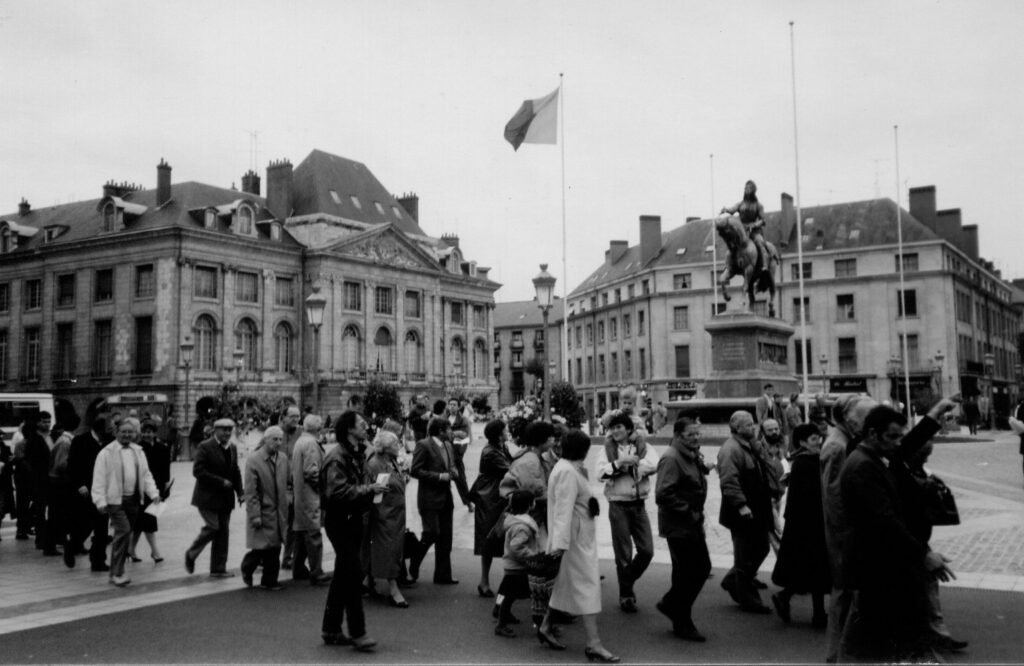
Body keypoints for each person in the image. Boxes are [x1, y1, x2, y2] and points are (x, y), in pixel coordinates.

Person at [840, 404, 957, 662]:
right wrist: (923, 555)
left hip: (880, 564)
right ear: (873, 434)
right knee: (881, 641)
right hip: (876, 566)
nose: (898, 442)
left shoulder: (875, 456)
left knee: (872, 640)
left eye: (899, 436)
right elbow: (885, 521)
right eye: (892, 436)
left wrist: (933, 415)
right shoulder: (863, 466)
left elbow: (907, 444)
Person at [538, 430, 619, 663]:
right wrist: (560, 546)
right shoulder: (567, 471)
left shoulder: (569, 468)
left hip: (575, 539)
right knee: (588, 587)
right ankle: (594, 643)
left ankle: (546, 626)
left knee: (564, 585)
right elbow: (562, 512)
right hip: (574, 542)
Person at [320, 411, 386, 651]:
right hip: (340, 520)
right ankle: (358, 632)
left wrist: (372, 487)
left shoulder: (356, 453)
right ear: (349, 429)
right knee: (351, 574)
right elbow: (337, 492)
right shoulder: (337, 457)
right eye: (361, 423)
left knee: (343, 573)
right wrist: (369, 489)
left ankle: (331, 628)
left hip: (352, 518)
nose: (365, 426)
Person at [819, 394, 876, 663]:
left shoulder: (845, 440)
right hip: (843, 533)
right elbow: (834, 497)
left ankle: (842, 651)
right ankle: (835, 653)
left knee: (847, 592)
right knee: (843, 592)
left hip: (847, 531)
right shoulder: (836, 446)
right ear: (848, 418)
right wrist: (846, 536)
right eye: (864, 419)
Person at [654, 417, 711, 641]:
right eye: (690, 435)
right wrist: (688, 510)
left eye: (697, 433)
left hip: (690, 523)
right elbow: (663, 494)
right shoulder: (671, 458)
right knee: (697, 569)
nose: (696, 438)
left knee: (686, 572)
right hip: (679, 524)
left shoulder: (690, 454)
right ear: (678, 436)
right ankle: (676, 610)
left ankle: (679, 616)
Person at [596, 412, 658, 613]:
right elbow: (600, 473)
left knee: (647, 550)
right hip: (618, 505)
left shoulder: (643, 446)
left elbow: (654, 464)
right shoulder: (607, 450)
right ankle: (626, 596)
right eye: (612, 428)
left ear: (629, 429)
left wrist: (634, 464)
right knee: (623, 553)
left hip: (639, 504)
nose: (615, 431)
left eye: (619, 427)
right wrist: (620, 463)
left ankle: (627, 579)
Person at [771, 423, 830, 627]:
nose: (818, 442)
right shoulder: (805, 463)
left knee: (807, 568)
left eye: (818, 438)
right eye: (813, 439)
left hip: (807, 522)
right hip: (808, 523)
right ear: (803, 442)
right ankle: (817, 614)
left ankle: (787, 598)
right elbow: (809, 496)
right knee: (815, 567)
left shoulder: (806, 461)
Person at [91, 418, 161, 587]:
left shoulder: (138, 451)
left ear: (135, 434)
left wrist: (153, 493)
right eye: (123, 431)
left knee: (124, 535)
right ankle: (117, 573)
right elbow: (99, 478)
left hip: (134, 500)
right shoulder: (106, 453)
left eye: (130, 432)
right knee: (123, 531)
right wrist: (100, 500)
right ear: (116, 433)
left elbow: (146, 474)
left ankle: (116, 572)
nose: (127, 435)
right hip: (115, 500)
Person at [716, 410, 774, 613]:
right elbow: (728, 480)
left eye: (753, 423)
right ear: (737, 427)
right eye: (748, 424)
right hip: (741, 511)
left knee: (761, 547)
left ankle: (733, 580)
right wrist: (741, 505)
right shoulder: (730, 449)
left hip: (757, 508)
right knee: (744, 554)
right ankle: (747, 597)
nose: (753, 427)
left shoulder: (751, 445)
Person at [185, 418, 243, 578]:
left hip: (225, 498)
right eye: (224, 429)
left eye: (229, 429)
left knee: (223, 533)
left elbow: (235, 471)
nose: (227, 433)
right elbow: (198, 471)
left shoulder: (232, 448)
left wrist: (240, 492)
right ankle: (191, 553)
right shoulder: (205, 446)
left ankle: (218, 569)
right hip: (207, 497)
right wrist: (220, 482)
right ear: (215, 430)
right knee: (213, 527)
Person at [410, 417, 461, 584]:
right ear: (440, 431)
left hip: (446, 497)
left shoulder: (448, 445)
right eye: (449, 428)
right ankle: (414, 562)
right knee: (431, 533)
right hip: (429, 498)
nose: (451, 431)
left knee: (446, 537)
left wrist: (453, 472)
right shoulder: (423, 445)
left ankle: (443, 575)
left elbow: (451, 465)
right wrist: (439, 476)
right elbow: (415, 470)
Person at [240, 426, 290, 591]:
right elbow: (251, 491)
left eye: (280, 439)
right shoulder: (254, 460)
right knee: (262, 547)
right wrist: (254, 514)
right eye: (275, 439)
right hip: (263, 510)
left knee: (275, 547)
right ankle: (247, 566)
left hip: (279, 511)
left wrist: (289, 499)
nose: (278, 443)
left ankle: (269, 580)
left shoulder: (283, 458)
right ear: (266, 440)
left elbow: (289, 481)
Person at [363, 430, 409, 608]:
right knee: (388, 550)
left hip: (396, 513)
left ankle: (368, 581)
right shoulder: (375, 464)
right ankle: (393, 588)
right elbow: (372, 489)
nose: (399, 446)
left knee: (392, 549)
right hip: (384, 514)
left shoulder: (392, 461)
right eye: (395, 444)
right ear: (385, 447)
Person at [472, 419, 512, 598]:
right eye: (505, 430)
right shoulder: (491, 452)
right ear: (498, 434)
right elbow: (511, 469)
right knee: (489, 539)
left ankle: (486, 582)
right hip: (490, 498)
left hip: (496, 496)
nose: (507, 431)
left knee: (494, 539)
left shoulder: (501, 447)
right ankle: (484, 582)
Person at [494, 489, 542, 638]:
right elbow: (516, 547)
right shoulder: (522, 526)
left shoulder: (514, 521)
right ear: (530, 505)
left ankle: (501, 615)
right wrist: (532, 556)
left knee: (507, 595)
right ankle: (501, 624)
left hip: (513, 567)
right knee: (515, 596)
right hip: (518, 568)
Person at [67, 416, 113, 571]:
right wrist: (79, 484)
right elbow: (72, 465)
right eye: (109, 427)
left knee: (102, 527)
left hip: (103, 490)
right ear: (99, 428)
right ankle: (72, 546)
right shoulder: (80, 441)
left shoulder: (110, 442)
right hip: (85, 490)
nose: (112, 430)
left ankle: (98, 561)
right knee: (86, 524)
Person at [291, 415, 331, 586]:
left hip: (301, 495)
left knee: (302, 534)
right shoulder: (311, 444)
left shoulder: (301, 441)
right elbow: (311, 472)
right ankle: (316, 571)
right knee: (313, 535)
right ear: (318, 428)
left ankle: (298, 567)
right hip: (310, 495)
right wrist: (323, 489)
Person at [129, 418, 171, 563]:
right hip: (142, 488)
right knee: (148, 521)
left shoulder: (162, 448)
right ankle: (155, 552)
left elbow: (166, 469)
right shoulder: (139, 449)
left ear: (155, 433)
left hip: (156, 488)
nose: (148, 435)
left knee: (140, 522)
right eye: (145, 432)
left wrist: (165, 486)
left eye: (150, 432)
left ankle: (131, 550)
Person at [721, 179, 769, 270]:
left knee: (760, 242)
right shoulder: (740, 204)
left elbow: (762, 220)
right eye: (745, 188)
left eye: (749, 188)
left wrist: (754, 225)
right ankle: (728, 264)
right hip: (742, 230)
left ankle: (765, 265)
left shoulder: (758, 205)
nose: (746, 190)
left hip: (754, 230)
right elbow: (732, 210)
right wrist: (726, 209)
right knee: (732, 243)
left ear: (753, 191)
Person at [278, 405, 303, 570]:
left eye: (298, 416)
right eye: (292, 416)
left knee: (292, 524)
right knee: (277, 523)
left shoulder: (302, 434)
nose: (296, 419)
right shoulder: (275, 433)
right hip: (278, 486)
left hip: (295, 487)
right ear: (284, 418)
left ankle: (287, 557)